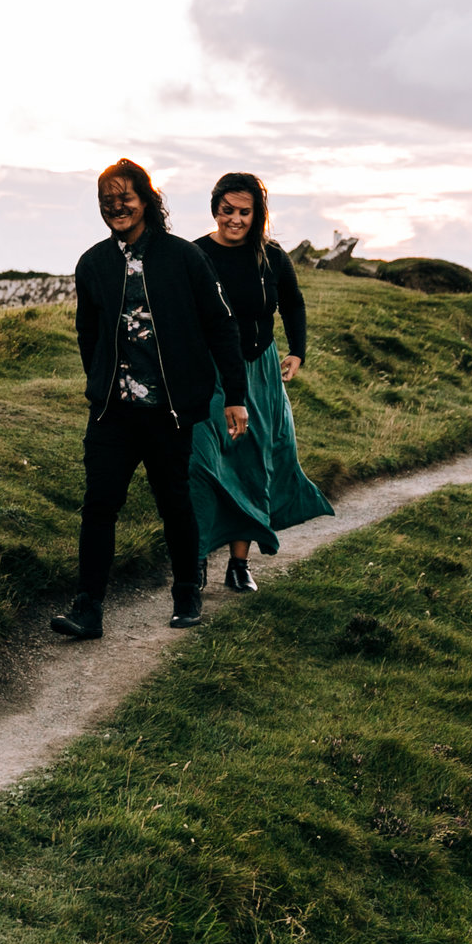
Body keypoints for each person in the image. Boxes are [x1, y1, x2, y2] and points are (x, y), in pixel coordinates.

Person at [50, 160, 250, 639]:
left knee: (174, 502)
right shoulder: (93, 263)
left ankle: (186, 592)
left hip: (169, 410)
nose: (116, 207)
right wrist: (100, 384)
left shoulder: (183, 257)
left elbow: (221, 326)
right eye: (107, 201)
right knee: (99, 504)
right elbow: (88, 334)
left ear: (147, 199)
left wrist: (234, 397)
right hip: (112, 413)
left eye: (125, 197)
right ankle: (88, 608)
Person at [188, 172, 333, 590]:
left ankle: (238, 564)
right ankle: (195, 559)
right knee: (201, 462)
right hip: (210, 373)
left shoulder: (270, 256)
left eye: (244, 212)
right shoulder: (195, 255)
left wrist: (297, 351)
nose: (234, 219)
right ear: (214, 208)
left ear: (257, 214)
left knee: (255, 461)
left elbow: (292, 303)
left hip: (260, 370)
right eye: (226, 210)